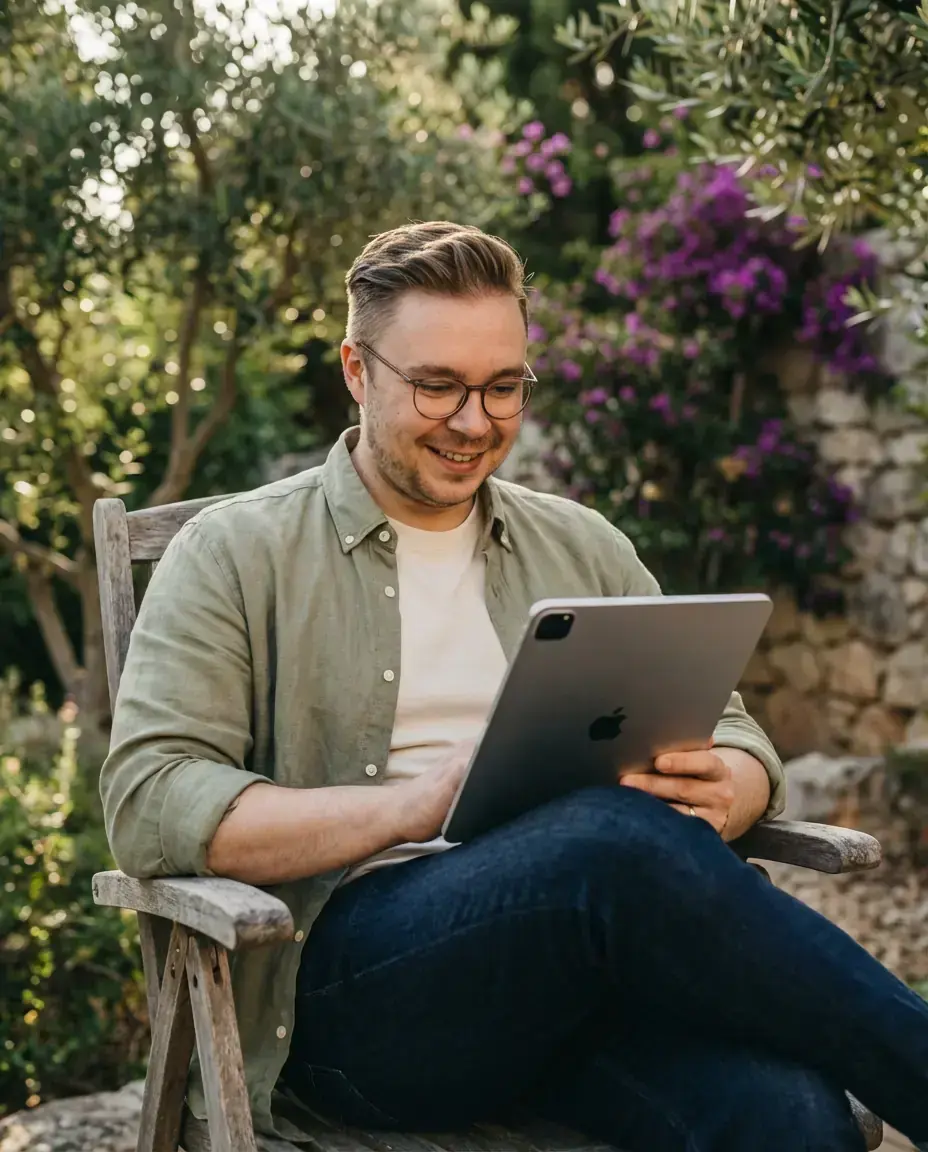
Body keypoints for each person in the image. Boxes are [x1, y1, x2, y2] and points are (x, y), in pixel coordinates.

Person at [101, 221, 928, 1152]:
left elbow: (734, 733)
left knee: (793, 1119)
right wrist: (413, 806)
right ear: (357, 370)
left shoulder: (580, 545)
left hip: (577, 990)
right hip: (359, 1009)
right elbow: (150, 797)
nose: (474, 420)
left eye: (503, 387)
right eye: (438, 385)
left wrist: (729, 787)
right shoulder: (238, 555)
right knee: (610, 843)